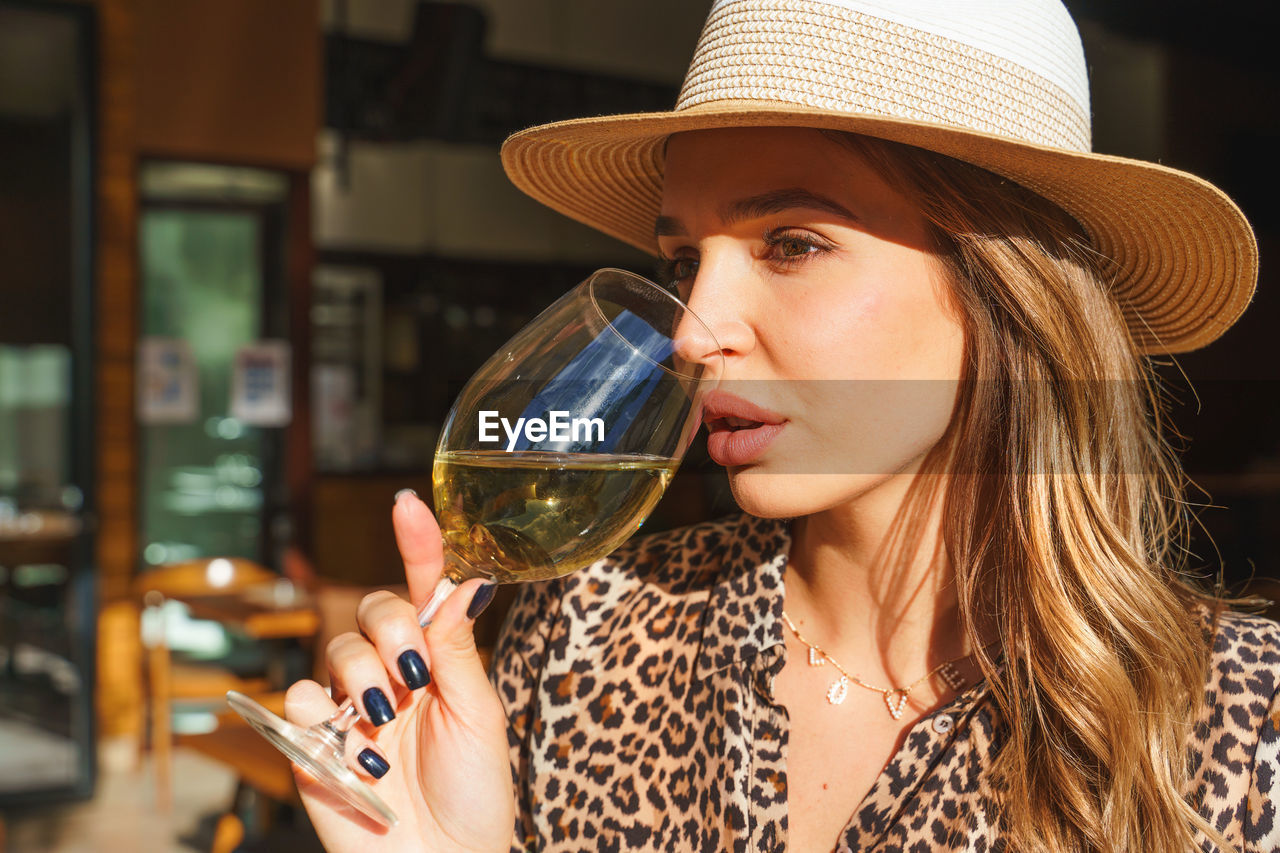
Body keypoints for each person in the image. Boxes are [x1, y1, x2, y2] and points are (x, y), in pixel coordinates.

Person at [285, 0, 1275, 850]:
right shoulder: (590, 634)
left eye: (790, 243)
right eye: (682, 263)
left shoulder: (1237, 724)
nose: (696, 330)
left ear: (1000, 294)